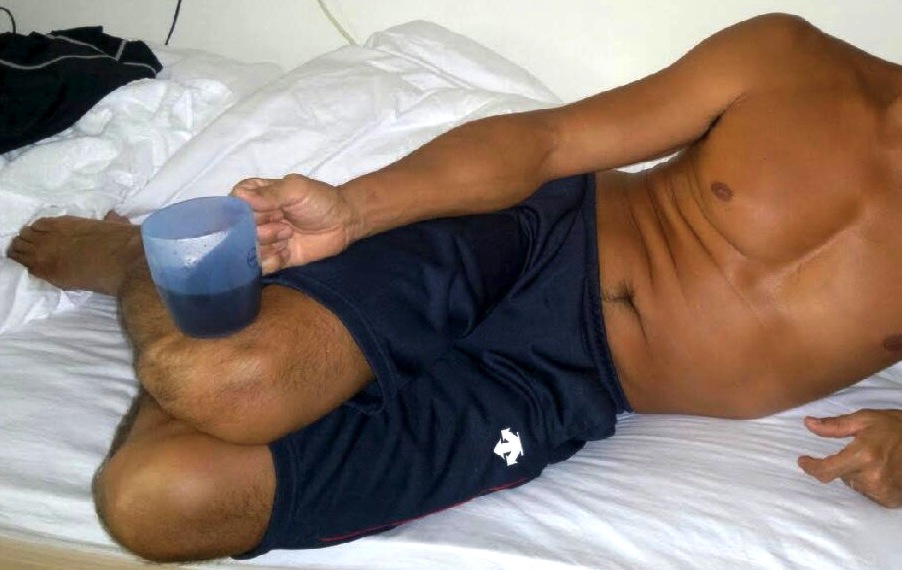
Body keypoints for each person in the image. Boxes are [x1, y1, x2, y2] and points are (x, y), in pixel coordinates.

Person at [7, 12, 902, 563]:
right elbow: (548, 143)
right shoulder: (787, 58)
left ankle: (159, 282)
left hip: (561, 384)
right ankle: (140, 259)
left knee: (156, 502)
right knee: (225, 381)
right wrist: (355, 211)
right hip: (527, 239)